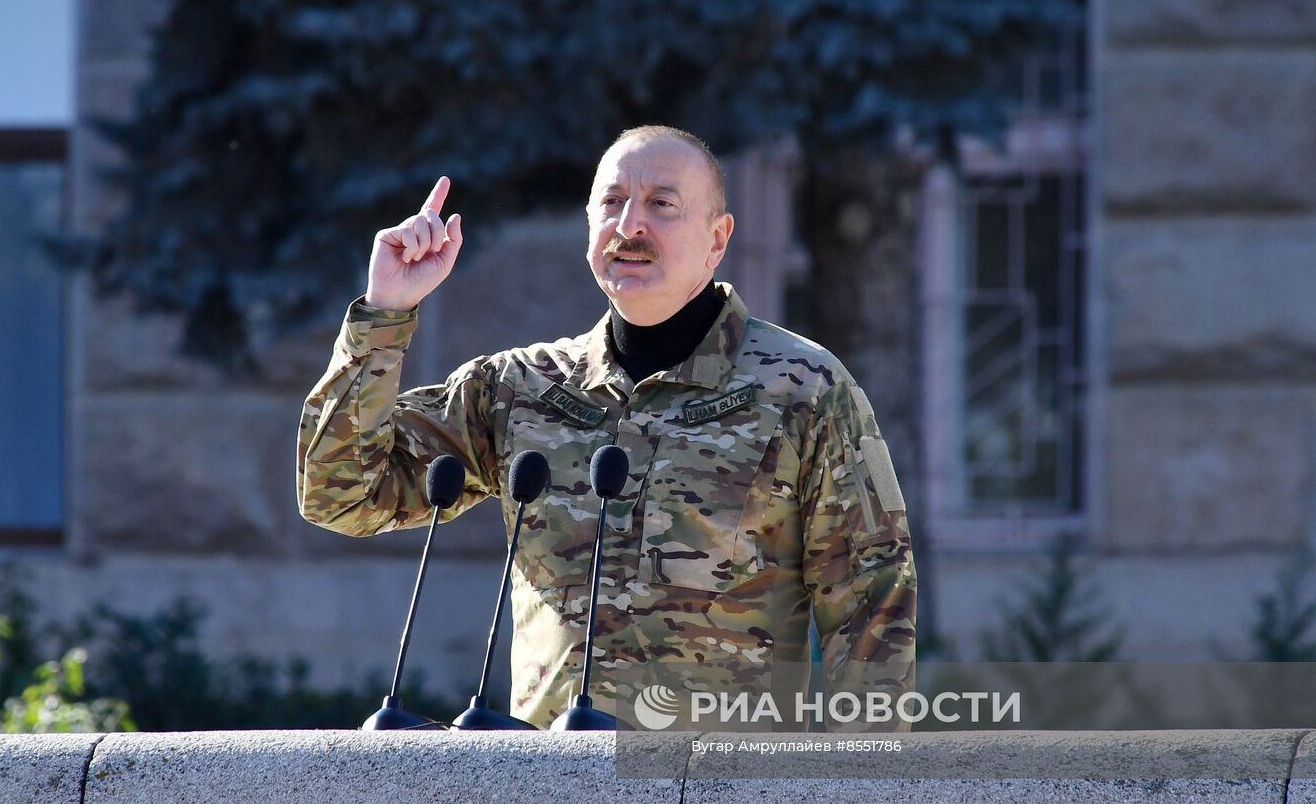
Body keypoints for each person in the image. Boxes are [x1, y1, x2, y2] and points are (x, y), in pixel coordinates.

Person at [297, 126, 916, 731]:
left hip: (721, 803)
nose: (630, 227)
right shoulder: (520, 388)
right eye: (612, 204)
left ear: (717, 238)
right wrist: (386, 312)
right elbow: (341, 495)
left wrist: (853, 799)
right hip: (548, 798)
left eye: (662, 205)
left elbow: (871, 599)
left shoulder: (801, 388)